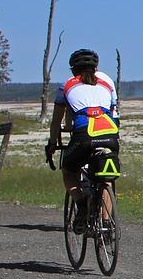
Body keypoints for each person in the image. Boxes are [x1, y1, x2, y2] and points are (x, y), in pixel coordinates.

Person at [47, 49, 120, 232]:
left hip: (84, 136)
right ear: (96, 68)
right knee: (106, 177)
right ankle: (105, 224)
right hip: (110, 134)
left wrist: (52, 144)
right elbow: (112, 112)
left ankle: (82, 203)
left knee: (69, 170)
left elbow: (57, 121)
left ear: (73, 70)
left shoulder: (66, 86)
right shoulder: (106, 84)